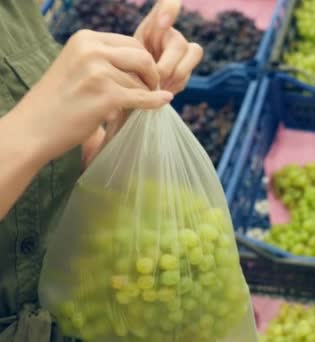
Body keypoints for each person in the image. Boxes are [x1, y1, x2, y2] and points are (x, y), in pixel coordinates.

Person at [0, 0, 203, 340]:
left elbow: (67, 169)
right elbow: (33, 132)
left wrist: (132, 94)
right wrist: (31, 128)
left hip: (73, 312)